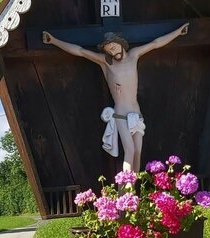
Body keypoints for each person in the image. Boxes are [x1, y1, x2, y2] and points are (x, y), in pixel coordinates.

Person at [43, 24, 190, 171]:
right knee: (130, 150)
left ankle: (135, 190)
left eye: (113, 47)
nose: (112, 52)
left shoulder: (133, 55)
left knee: (138, 152)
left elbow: (155, 43)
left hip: (136, 112)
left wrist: (178, 32)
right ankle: (124, 190)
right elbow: (80, 51)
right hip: (121, 112)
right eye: (109, 51)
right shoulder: (106, 63)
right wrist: (54, 41)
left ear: (120, 44)